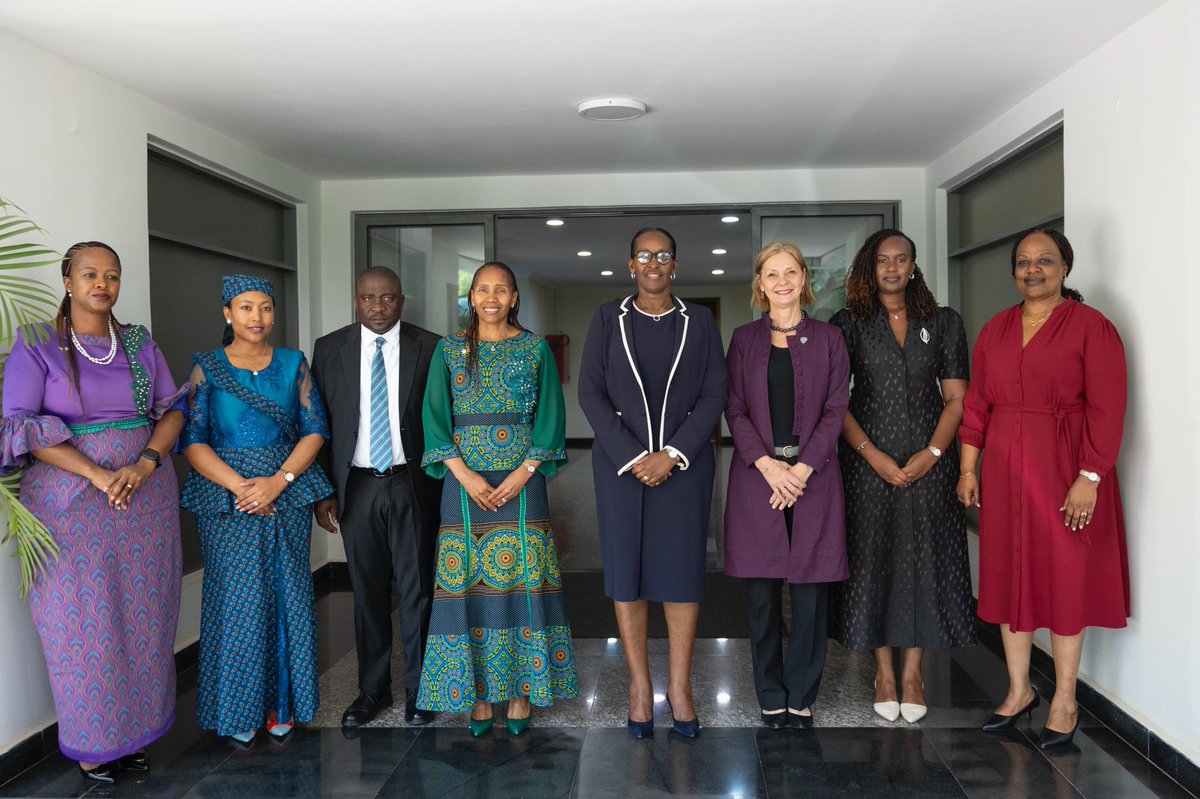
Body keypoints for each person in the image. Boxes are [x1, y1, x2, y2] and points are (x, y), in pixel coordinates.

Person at [0, 242, 186, 783]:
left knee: (144, 617)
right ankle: (93, 742)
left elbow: (172, 411)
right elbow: (18, 426)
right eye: (89, 274)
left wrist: (146, 463)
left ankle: (137, 733)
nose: (102, 283)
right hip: (70, 506)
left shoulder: (137, 342)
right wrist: (98, 473)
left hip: (145, 503)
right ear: (67, 279)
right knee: (81, 623)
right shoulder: (38, 344)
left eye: (112, 275)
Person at [958, 228, 1129, 749]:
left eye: (1045, 261)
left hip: (1065, 468)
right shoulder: (996, 328)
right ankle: (1018, 691)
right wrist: (968, 468)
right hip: (1006, 469)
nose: (1033, 270)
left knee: (1065, 577)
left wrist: (1090, 476)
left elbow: (1108, 406)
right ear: (1014, 271)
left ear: (1065, 268)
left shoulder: (1092, 328)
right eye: (1024, 262)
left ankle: (1065, 697)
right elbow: (977, 405)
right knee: (1010, 575)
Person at [578, 226, 727, 738]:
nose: (654, 263)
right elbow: (591, 394)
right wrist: (636, 456)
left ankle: (680, 688)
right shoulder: (606, 319)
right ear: (631, 264)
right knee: (628, 576)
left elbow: (713, 395)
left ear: (675, 265)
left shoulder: (700, 321)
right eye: (645, 255)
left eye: (664, 255)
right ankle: (641, 689)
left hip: (683, 470)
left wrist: (673, 454)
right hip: (621, 471)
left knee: (683, 576)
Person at [416, 262, 575, 736]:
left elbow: (550, 416)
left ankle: (524, 691)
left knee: (522, 579)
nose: (490, 297)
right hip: (463, 486)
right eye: (482, 289)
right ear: (471, 298)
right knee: (467, 584)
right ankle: (478, 693)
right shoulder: (448, 351)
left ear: (513, 298)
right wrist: (464, 475)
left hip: (522, 485)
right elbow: (434, 418)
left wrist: (523, 472)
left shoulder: (535, 349)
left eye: (500, 290)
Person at [828, 229, 977, 724]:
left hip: (932, 464)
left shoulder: (944, 321)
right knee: (874, 560)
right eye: (882, 261)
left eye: (902, 260)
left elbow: (957, 398)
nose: (892, 268)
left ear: (914, 266)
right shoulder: (848, 323)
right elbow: (836, 403)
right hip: (868, 463)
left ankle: (913, 672)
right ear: (869, 268)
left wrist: (934, 453)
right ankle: (884, 672)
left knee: (927, 560)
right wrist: (873, 456)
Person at [180, 275, 333, 744]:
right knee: (237, 601)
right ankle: (238, 709)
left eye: (265, 308)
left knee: (288, 595)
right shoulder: (206, 367)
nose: (257, 317)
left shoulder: (293, 363)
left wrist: (277, 482)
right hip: (225, 498)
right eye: (246, 308)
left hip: (285, 490)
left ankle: (283, 705)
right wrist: (242, 488)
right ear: (228, 313)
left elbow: (315, 429)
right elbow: (192, 440)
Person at [724, 241, 850, 730]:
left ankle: (802, 694)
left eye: (790, 272)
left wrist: (800, 470)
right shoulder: (743, 339)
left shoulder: (829, 339)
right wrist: (769, 466)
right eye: (771, 274)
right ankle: (770, 693)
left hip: (814, 479)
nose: (781, 281)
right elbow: (734, 408)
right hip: (758, 479)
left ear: (804, 278)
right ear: (760, 284)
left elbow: (836, 408)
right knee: (761, 596)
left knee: (811, 595)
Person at [311, 267, 441, 728]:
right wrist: (323, 488)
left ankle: (422, 691)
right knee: (366, 593)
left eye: (387, 298)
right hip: (357, 484)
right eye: (369, 298)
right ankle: (372, 691)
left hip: (413, 483)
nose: (378, 307)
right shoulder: (329, 349)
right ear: (356, 301)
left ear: (401, 301)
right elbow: (320, 423)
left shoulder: (432, 346)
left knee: (417, 590)